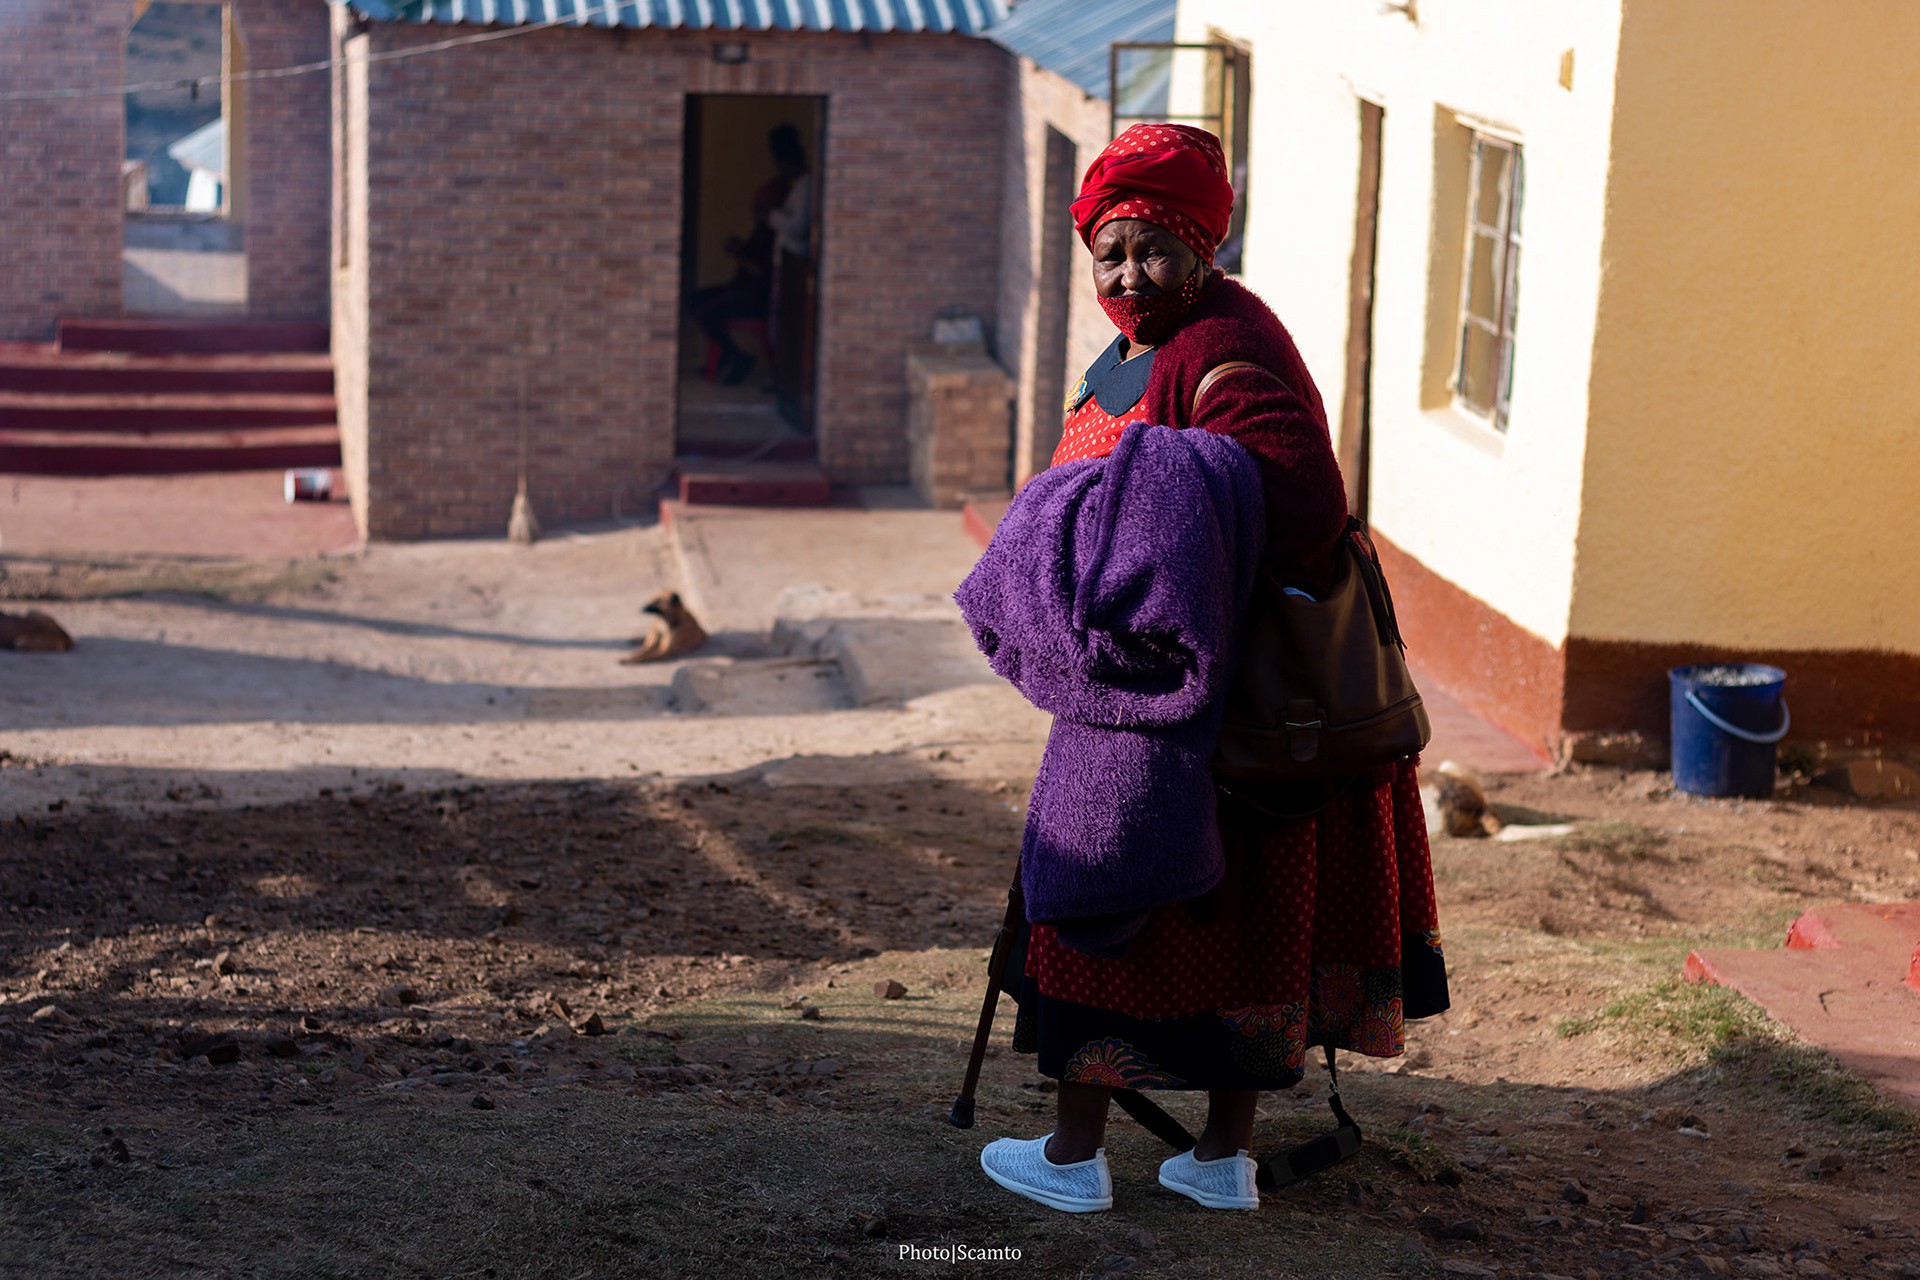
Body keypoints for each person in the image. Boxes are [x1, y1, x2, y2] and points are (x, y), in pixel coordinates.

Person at [969, 124, 1448, 1213]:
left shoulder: (1223, 345)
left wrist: (1141, 503)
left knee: (1112, 900)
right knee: (1231, 926)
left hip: (1201, 709)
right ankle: (1216, 1162)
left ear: (1202, 249)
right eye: (1110, 253)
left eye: (1153, 249)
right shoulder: (1156, 344)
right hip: (1161, 685)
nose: (1129, 274)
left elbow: (1306, 504)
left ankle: (1075, 1160)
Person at [686, 125, 806, 386]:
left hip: (753, 296)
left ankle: (738, 358)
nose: (756, 211)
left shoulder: (775, 230)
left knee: (706, 310)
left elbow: (761, 272)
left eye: (759, 207)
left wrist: (739, 255)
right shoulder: (763, 230)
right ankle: (727, 355)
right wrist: (739, 247)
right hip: (740, 288)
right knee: (691, 300)